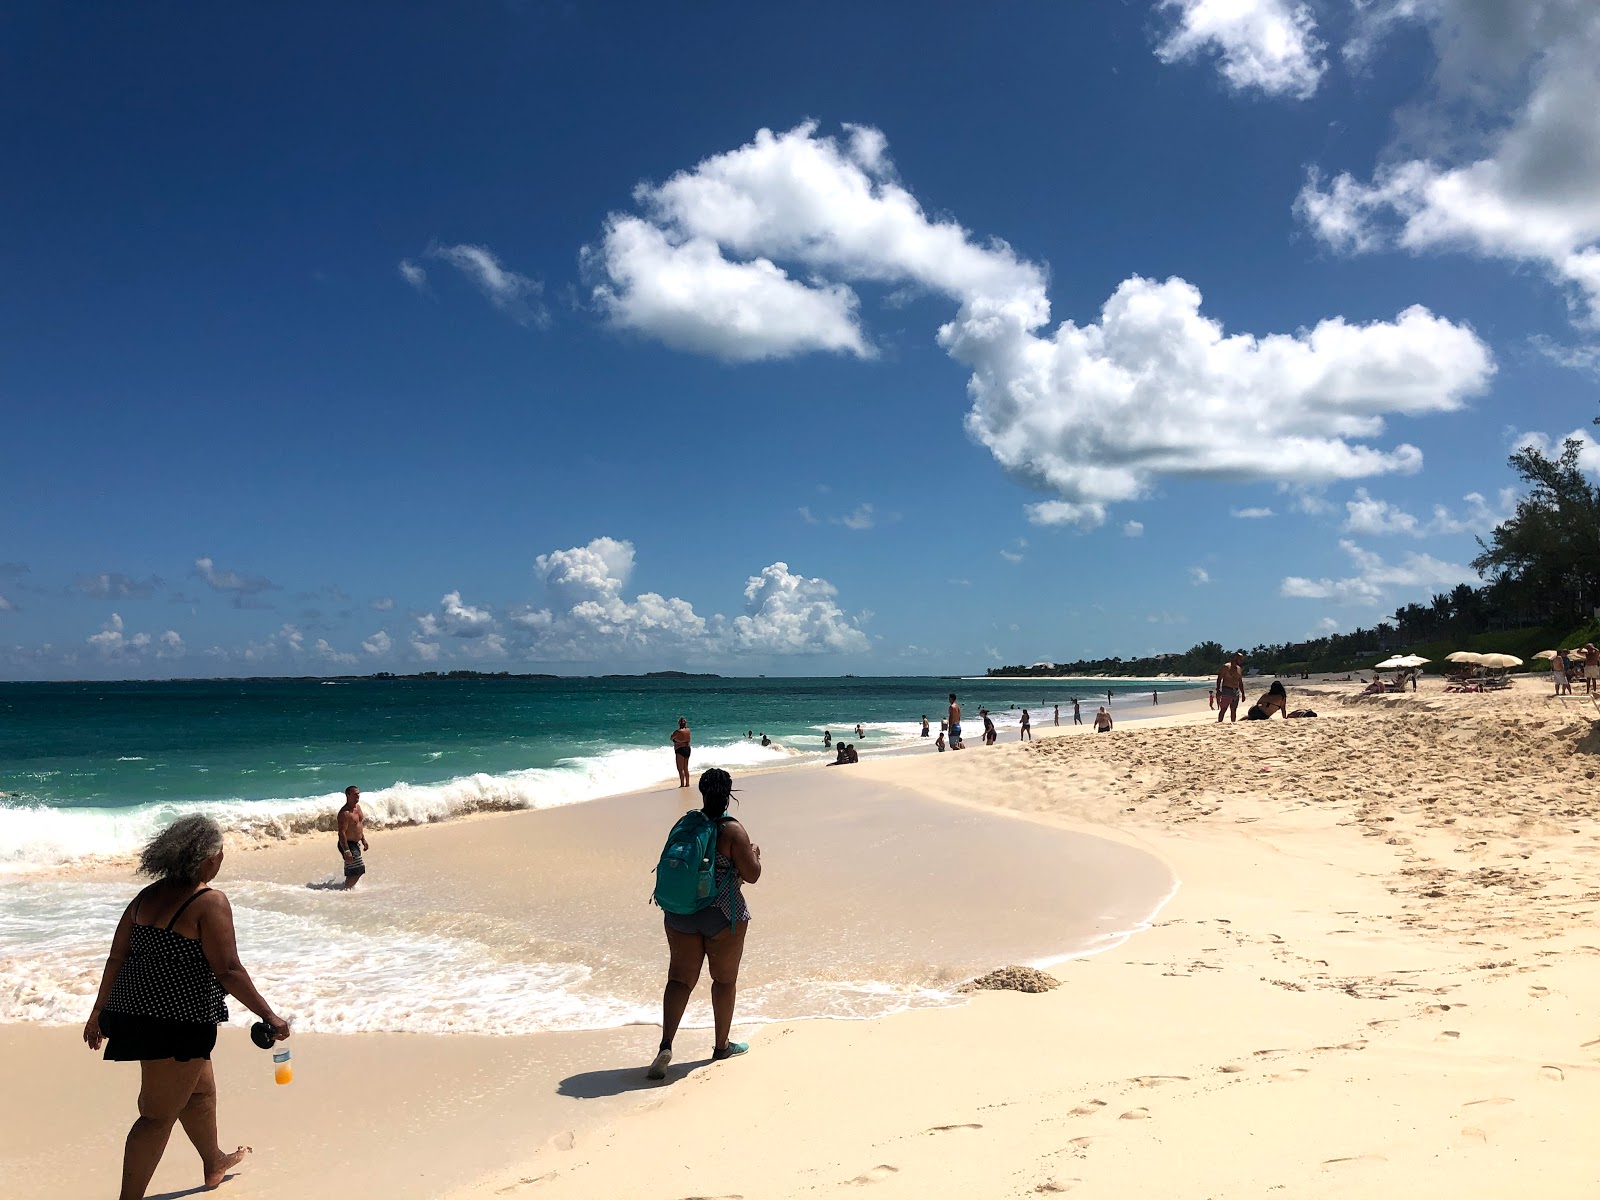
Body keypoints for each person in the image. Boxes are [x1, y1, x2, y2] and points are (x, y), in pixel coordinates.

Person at [83, 815, 290, 1200]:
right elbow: (229, 970)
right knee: (156, 1116)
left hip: (137, 1012)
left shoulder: (146, 897)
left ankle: (214, 1162)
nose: (222, 856)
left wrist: (98, 1012)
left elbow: (117, 958)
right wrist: (269, 1014)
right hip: (176, 1023)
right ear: (205, 859)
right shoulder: (208, 901)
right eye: (219, 851)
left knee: (200, 1091)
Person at [648, 769, 760, 1080]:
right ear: (729, 794)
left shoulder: (686, 824)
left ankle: (665, 1046)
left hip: (680, 914)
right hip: (721, 916)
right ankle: (721, 1046)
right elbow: (751, 874)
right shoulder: (732, 831)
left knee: (680, 981)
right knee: (723, 981)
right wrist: (756, 857)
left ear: (701, 791)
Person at [336, 785, 368, 889]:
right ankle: (346, 890)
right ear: (348, 795)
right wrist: (346, 850)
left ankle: (346, 890)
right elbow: (341, 833)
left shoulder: (358, 808)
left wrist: (363, 839)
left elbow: (358, 826)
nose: (357, 796)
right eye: (355, 794)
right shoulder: (344, 813)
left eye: (358, 793)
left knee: (352, 871)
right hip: (347, 844)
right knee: (359, 869)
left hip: (355, 843)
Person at [1216, 652, 1245, 724]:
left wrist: (1243, 693)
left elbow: (1240, 682)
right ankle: (1220, 723)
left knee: (1234, 709)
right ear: (1235, 658)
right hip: (1227, 689)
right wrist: (1218, 690)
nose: (1241, 661)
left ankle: (1233, 723)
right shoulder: (1226, 667)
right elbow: (1219, 678)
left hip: (1236, 690)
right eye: (1240, 659)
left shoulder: (1239, 669)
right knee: (1223, 709)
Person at [671, 717, 692, 788]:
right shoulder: (688, 730)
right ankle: (687, 783)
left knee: (680, 768)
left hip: (680, 749)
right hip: (687, 748)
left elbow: (671, 738)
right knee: (686, 768)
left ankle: (682, 784)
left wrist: (677, 740)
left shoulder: (678, 732)